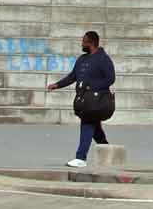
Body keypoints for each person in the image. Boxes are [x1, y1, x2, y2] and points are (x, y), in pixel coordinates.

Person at [44, 29, 115, 168]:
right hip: (84, 100)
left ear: (92, 42)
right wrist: (57, 85)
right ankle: (108, 152)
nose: (82, 44)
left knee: (87, 123)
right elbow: (73, 76)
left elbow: (110, 78)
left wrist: (92, 86)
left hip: (97, 100)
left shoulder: (103, 59)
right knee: (94, 128)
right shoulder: (82, 59)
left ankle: (80, 158)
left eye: (84, 41)